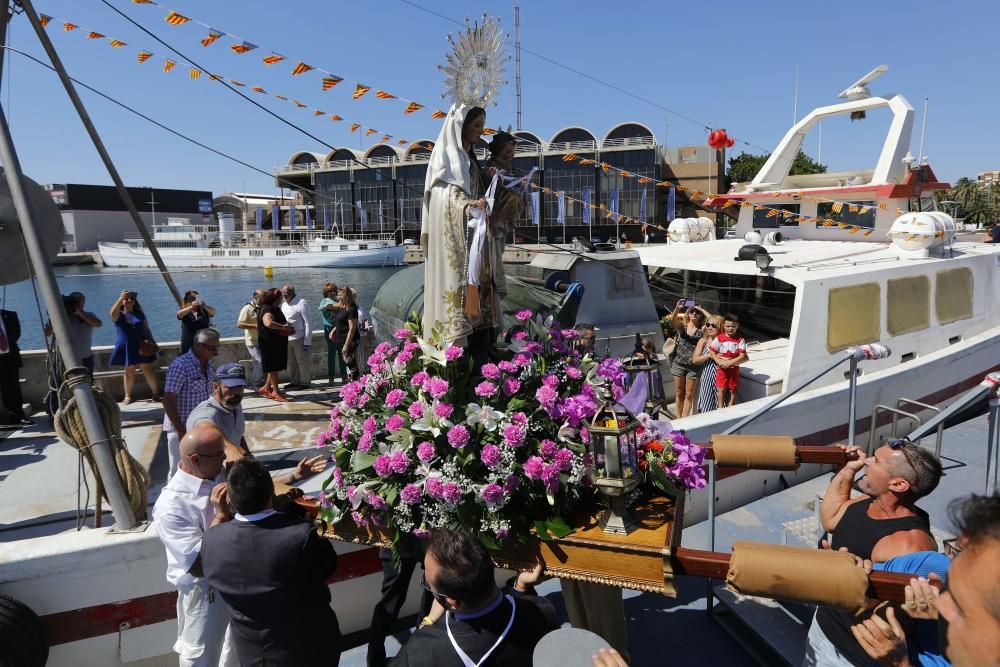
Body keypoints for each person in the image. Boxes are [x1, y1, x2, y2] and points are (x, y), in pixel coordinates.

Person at [803, 439, 943, 667]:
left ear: (898, 485)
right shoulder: (872, 502)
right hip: (824, 625)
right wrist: (849, 469)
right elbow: (831, 518)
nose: (866, 460)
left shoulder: (909, 546)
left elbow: (894, 619)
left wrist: (849, 582)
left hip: (849, 655)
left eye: (875, 461)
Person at [200, 458, 342, 667]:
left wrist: (221, 515)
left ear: (230, 498)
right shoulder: (301, 536)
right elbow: (328, 567)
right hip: (309, 650)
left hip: (254, 655)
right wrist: (303, 519)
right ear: (271, 494)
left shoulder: (211, 539)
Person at [850, 493, 1000, 667]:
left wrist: (901, 664)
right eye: (948, 588)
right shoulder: (934, 565)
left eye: (960, 604)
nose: (939, 605)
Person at [389, 528, 557, 666]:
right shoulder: (543, 611)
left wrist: (427, 623)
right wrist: (520, 587)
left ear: (452, 602)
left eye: (428, 585)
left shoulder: (424, 650)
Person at [151, 423, 236, 667]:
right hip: (204, 593)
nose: (224, 459)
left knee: (234, 652)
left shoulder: (216, 472)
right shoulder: (171, 506)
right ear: (196, 459)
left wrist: (294, 476)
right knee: (200, 658)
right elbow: (199, 565)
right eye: (219, 454)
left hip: (233, 581)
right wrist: (220, 516)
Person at [421, 104, 498, 357]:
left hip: (476, 242)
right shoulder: (446, 163)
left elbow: (473, 192)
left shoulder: (470, 161)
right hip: (458, 243)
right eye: (476, 125)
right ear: (460, 127)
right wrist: (466, 206)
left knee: (481, 311)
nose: (481, 131)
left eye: (482, 125)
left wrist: (488, 179)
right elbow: (446, 197)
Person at [187, 362, 327, 486]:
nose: (236, 392)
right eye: (230, 387)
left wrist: (248, 457)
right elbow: (206, 429)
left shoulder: (234, 405)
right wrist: (231, 451)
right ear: (215, 387)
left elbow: (237, 435)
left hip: (231, 477)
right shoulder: (205, 414)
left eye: (240, 386)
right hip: (210, 484)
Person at [163, 328, 219, 480]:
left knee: (201, 470)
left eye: (216, 347)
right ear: (198, 346)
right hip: (180, 429)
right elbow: (168, 399)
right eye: (212, 348)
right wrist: (181, 430)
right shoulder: (180, 366)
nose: (216, 352)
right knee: (178, 470)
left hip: (201, 428)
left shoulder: (208, 364)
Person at [484, 131, 524, 302]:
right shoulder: (490, 167)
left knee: (499, 252)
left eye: (513, 152)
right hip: (494, 217)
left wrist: (522, 183)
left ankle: (497, 287)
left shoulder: (512, 169)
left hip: (505, 217)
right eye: (507, 152)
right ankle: (495, 288)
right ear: (498, 151)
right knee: (494, 254)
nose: (510, 156)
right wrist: (491, 176)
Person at [109, 289, 160, 405]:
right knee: (129, 371)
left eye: (131, 298)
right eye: (126, 298)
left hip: (142, 345)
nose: (129, 300)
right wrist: (120, 298)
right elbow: (112, 313)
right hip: (127, 345)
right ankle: (127, 396)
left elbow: (147, 328)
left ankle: (155, 393)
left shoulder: (139, 313)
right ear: (122, 301)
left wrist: (152, 343)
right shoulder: (119, 315)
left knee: (147, 368)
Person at [44, 292, 102, 376]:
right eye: (75, 300)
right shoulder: (60, 317)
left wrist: (80, 314)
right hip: (64, 358)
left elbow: (98, 324)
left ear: (83, 302)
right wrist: (56, 315)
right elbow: (47, 333)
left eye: (79, 300)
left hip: (85, 357)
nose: (77, 303)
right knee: (61, 383)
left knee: (87, 382)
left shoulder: (89, 315)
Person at [669, 299, 708, 418]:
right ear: (688, 313)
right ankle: (678, 418)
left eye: (697, 312)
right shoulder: (683, 327)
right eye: (692, 311)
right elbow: (673, 320)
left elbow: (714, 321)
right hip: (679, 363)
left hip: (694, 366)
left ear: (700, 315)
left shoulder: (703, 329)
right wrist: (677, 308)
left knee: (689, 394)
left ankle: (684, 419)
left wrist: (701, 309)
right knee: (679, 392)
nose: (694, 314)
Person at [257, 288, 293, 402]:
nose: (281, 299)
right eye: (280, 298)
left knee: (273, 368)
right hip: (269, 344)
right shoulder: (267, 309)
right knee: (273, 369)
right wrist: (283, 327)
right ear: (276, 298)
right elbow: (268, 322)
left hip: (275, 343)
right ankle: (276, 392)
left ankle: (266, 388)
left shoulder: (273, 308)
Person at [708, 313, 748, 408]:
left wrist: (729, 363)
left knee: (733, 389)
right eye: (728, 326)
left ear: (737, 326)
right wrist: (718, 361)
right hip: (722, 368)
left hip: (734, 369)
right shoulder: (719, 338)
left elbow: (742, 355)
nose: (730, 328)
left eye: (733, 326)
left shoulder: (740, 339)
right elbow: (712, 351)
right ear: (723, 326)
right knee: (721, 389)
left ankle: (731, 407)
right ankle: (720, 408)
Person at [0, 308, 31, 427]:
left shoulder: (11, 315)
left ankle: (18, 416)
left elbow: (16, 334)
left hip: (9, 357)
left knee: (13, 388)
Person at [280, 283, 312, 390]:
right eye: (283, 293)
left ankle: (305, 382)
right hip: (286, 338)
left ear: (293, 292)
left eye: (286, 293)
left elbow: (308, 323)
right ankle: (295, 381)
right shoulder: (284, 304)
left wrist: (307, 341)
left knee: (302, 362)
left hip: (300, 337)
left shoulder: (301, 303)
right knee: (290, 362)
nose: (284, 295)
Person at [692, 315, 723, 414]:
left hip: (722, 376)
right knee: (707, 406)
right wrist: (710, 355)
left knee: (722, 407)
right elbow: (695, 360)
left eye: (713, 325)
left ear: (720, 327)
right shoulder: (703, 341)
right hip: (707, 377)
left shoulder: (725, 340)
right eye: (708, 325)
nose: (710, 327)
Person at [318, 282, 347, 384]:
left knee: (341, 352)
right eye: (330, 290)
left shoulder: (339, 300)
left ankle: (344, 376)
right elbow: (328, 306)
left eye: (335, 290)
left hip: (339, 329)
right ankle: (331, 377)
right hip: (328, 329)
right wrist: (340, 304)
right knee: (331, 353)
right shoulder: (324, 301)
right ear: (326, 292)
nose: (333, 292)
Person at [236, 290, 264, 388]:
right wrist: (254, 326)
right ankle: (256, 384)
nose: (263, 301)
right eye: (261, 299)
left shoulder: (262, 307)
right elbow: (239, 324)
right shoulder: (246, 309)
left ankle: (261, 383)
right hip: (252, 341)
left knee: (262, 362)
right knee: (259, 361)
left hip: (263, 340)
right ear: (255, 299)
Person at [333, 285, 360, 381]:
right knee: (349, 364)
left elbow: (352, 328)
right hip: (342, 339)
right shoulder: (343, 306)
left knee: (351, 365)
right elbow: (341, 321)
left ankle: (356, 386)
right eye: (338, 296)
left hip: (349, 341)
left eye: (341, 296)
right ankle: (353, 385)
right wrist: (334, 330)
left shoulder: (351, 309)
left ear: (346, 296)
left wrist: (346, 345)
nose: (339, 298)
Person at [176, 290, 216, 355]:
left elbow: (213, 312)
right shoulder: (185, 312)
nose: (193, 300)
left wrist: (203, 306)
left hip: (204, 346)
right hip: (188, 346)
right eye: (191, 299)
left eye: (195, 298)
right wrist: (191, 307)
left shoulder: (204, 311)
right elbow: (179, 314)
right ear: (186, 301)